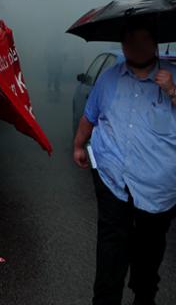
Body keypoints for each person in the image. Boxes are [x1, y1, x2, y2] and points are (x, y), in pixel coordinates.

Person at [73, 20, 176, 305]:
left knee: (149, 251)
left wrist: (172, 91)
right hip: (112, 179)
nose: (135, 46)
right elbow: (89, 115)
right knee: (110, 249)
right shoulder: (108, 79)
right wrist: (79, 145)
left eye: (142, 39)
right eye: (129, 40)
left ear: (155, 43)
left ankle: (144, 295)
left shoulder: (172, 77)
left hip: (158, 189)